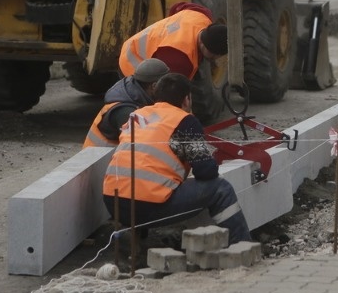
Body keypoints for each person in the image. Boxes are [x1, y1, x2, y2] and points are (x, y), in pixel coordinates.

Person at [102, 72, 252, 246]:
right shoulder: (184, 121)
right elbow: (206, 172)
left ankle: (135, 242)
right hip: (147, 206)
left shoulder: (138, 115)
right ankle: (243, 246)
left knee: (148, 183)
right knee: (220, 189)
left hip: (113, 203)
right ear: (187, 100)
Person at [118, 2, 228, 123]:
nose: (216, 59)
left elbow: (177, 6)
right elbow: (168, 99)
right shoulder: (180, 60)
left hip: (144, 43)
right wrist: (187, 122)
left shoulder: (201, 15)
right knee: (150, 109)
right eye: (215, 55)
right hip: (133, 59)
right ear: (207, 47)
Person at [83, 58, 170, 148]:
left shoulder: (134, 96)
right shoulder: (126, 112)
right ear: (154, 86)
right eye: (166, 86)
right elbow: (140, 147)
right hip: (101, 160)